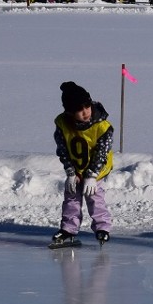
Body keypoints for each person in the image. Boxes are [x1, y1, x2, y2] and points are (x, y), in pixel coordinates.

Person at [50, 82, 115, 248]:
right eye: (79, 109)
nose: (86, 112)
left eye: (87, 106)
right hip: (77, 169)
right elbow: (62, 149)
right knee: (71, 197)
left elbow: (102, 153)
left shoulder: (102, 127)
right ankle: (68, 229)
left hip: (96, 170)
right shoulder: (63, 125)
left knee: (94, 196)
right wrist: (70, 172)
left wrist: (92, 175)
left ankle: (102, 228)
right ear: (70, 112)